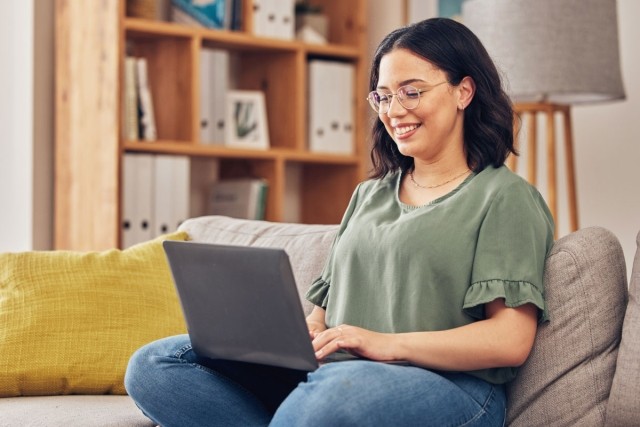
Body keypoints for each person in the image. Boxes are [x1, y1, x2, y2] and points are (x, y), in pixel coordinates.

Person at [125, 17, 554, 426]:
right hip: (335, 375)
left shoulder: (505, 198)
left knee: (335, 395)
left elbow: (510, 340)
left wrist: (385, 345)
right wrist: (298, 342)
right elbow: (322, 314)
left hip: (450, 387)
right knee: (155, 365)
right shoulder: (369, 195)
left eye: (411, 92)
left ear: (464, 92)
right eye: (383, 96)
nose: (394, 111)